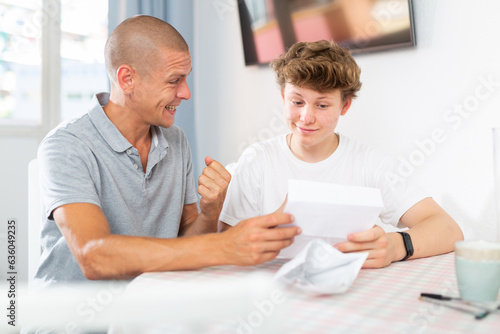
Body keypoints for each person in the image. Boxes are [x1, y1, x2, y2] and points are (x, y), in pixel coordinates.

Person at [34, 15, 301, 286]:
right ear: (127, 79)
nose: (185, 93)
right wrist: (223, 245)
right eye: (174, 80)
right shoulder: (66, 145)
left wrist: (210, 212)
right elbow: (95, 256)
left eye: (186, 79)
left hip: (148, 314)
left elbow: (186, 246)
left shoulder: (175, 141)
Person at [219, 40, 464, 268]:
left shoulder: (370, 164)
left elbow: (448, 229)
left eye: (322, 105)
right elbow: (224, 245)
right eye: (297, 102)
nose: (306, 117)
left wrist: (394, 246)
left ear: (344, 105)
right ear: (283, 97)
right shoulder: (258, 160)